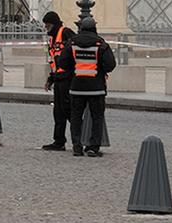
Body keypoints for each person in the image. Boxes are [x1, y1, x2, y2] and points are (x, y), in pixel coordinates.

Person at [55, 19, 117, 157]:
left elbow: (62, 63)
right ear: (94, 28)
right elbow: (110, 65)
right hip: (96, 87)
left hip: (77, 86)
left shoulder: (72, 43)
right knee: (97, 117)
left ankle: (77, 146)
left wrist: (74, 67)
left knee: (76, 117)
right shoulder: (100, 44)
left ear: (81, 28)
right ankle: (93, 147)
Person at [40, 11, 73, 152]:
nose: (47, 29)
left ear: (54, 24)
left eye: (48, 26)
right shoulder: (52, 39)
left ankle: (80, 139)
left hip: (68, 78)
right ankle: (59, 141)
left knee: (70, 112)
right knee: (58, 112)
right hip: (59, 79)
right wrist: (50, 79)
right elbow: (54, 62)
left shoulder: (66, 33)